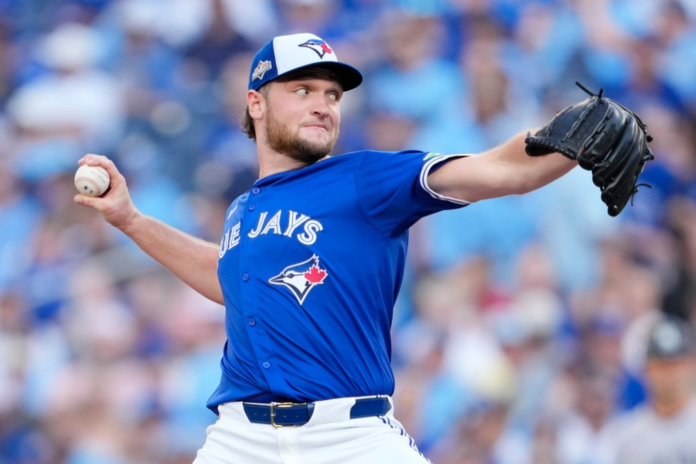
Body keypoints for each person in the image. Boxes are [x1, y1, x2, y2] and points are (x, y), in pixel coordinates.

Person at [74, 32, 579, 464]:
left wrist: (579, 132)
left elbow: (502, 169)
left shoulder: (364, 179)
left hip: (349, 436)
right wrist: (131, 220)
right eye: (302, 89)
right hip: (240, 439)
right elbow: (230, 281)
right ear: (256, 103)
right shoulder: (242, 209)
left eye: (332, 94)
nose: (323, 104)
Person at [596, 314, 696, 464]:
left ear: (691, 365)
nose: (669, 374)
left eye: (675, 364)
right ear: (646, 369)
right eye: (660, 365)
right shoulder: (628, 436)